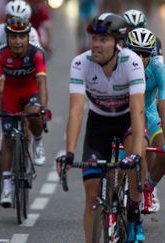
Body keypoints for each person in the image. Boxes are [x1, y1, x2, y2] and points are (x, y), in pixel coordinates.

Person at [56, 13, 147, 243]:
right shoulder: (81, 63)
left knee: (138, 156)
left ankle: (135, 208)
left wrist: (135, 154)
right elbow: (76, 110)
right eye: (94, 38)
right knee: (91, 195)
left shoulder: (132, 62)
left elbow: (137, 111)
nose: (96, 44)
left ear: (119, 44)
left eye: (104, 39)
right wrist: (69, 152)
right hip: (98, 125)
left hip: (127, 120)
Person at [0, 16, 50, 207]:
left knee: (34, 112)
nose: (17, 41)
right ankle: (7, 186)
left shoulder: (36, 53)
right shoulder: (0, 55)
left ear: (27, 37)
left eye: (21, 37)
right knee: (7, 139)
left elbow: (41, 83)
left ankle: (37, 142)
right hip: (10, 95)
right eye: (13, 36)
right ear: (7, 37)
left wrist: (43, 109)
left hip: (30, 91)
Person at [0, 0, 41, 153]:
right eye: (10, 18)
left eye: (20, 19)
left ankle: (29, 143)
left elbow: (37, 62)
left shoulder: (32, 33)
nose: (14, 22)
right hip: (4, 68)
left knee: (31, 112)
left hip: (24, 71)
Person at [126, 28, 165, 214]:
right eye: (135, 53)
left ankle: (149, 187)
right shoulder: (120, 63)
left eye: (145, 54)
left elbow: (163, 104)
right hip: (125, 113)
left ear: (152, 54)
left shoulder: (158, 68)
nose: (140, 58)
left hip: (149, 113)